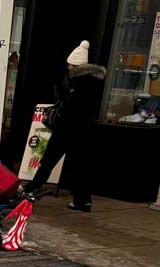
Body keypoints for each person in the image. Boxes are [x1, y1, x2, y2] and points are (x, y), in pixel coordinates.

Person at [23, 40, 106, 212]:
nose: (67, 67)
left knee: (48, 161)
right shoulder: (93, 82)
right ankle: (83, 201)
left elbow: (68, 105)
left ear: (75, 65)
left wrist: (61, 93)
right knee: (79, 166)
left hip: (67, 128)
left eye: (69, 64)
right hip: (83, 130)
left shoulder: (75, 82)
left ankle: (31, 189)